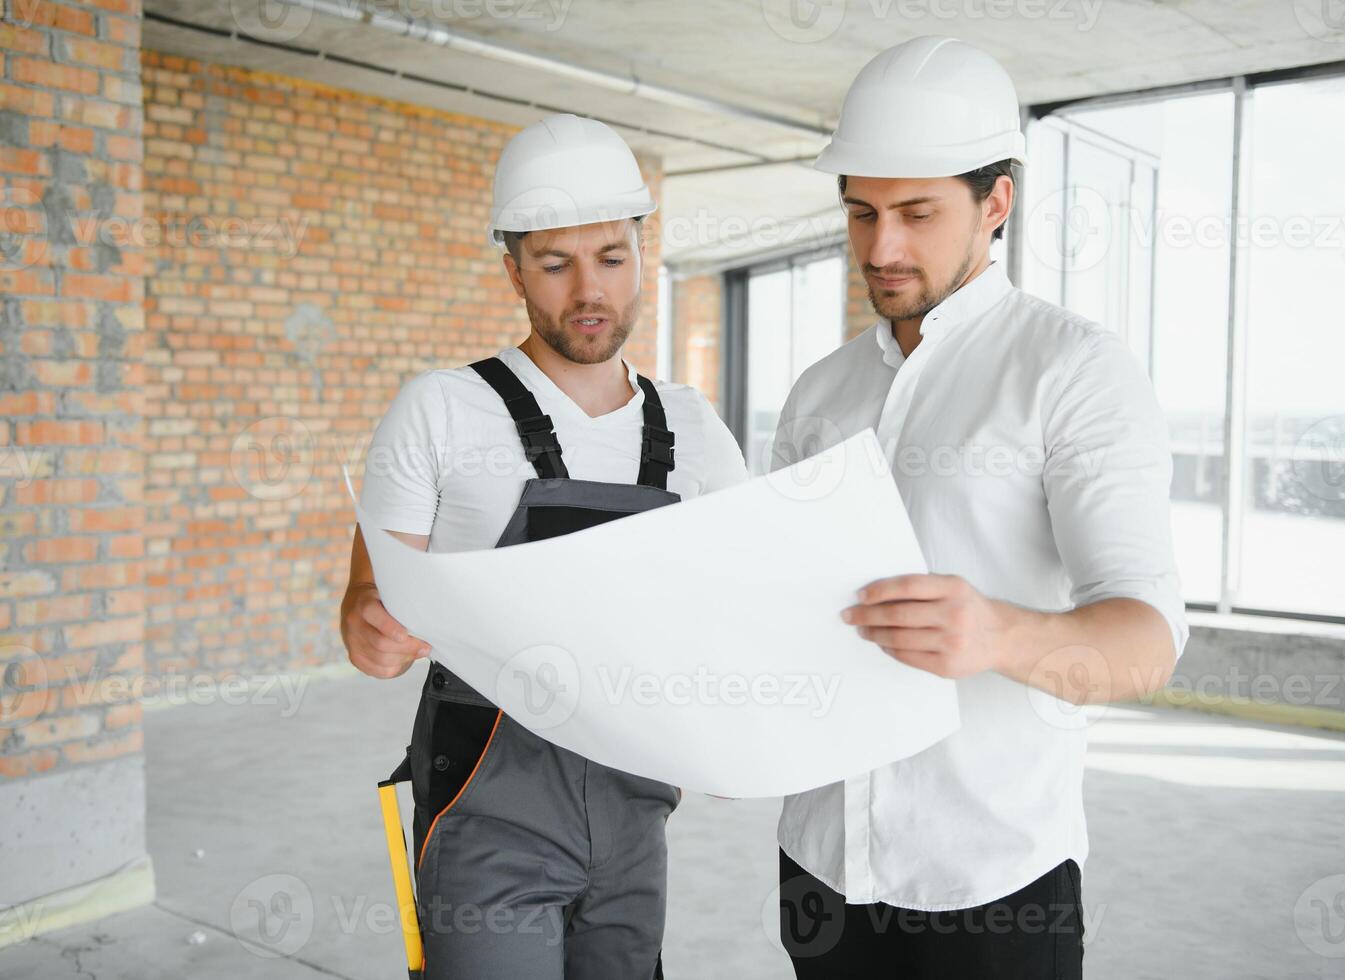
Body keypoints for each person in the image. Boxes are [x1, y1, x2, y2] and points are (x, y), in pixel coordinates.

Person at [772, 35, 1189, 979]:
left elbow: (1148, 638)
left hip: (990, 883)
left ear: (995, 202)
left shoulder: (1074, 371)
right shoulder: (818, 391)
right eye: (861, 212)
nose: (881, 248)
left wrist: (997, 636)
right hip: (821, 870)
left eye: (917, 213)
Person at [340, 112, 747, 979]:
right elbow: (363, 616)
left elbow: (737, 610)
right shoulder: (440, 410)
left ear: (642, 252)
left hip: (637, 814)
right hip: (488, 816)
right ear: (512, 269)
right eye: (554, 264)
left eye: (610, 257)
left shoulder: (696, 430)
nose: (587, 291)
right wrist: (374, 627)